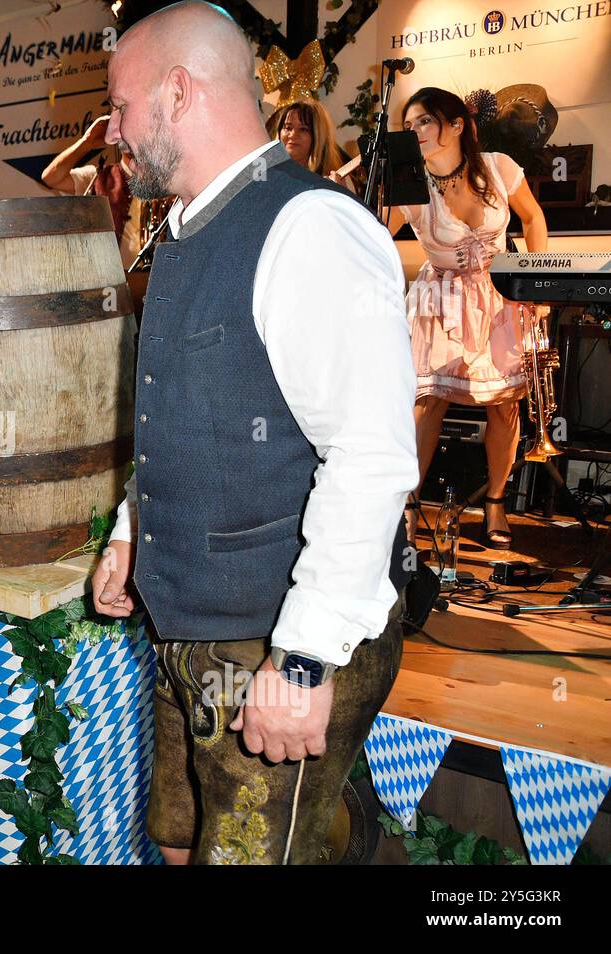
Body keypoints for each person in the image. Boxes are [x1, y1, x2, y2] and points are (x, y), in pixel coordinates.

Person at [90, 1, 417, 865]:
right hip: (190, 623)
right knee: (176, 837)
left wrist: (304, 659)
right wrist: (133, 534)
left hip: (274, 633)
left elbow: (372, 457)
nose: (111, 132)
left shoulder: (311, 226)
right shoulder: (187, 227)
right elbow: (185, 411)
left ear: (178, 91)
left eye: (120, 107)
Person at [384, 87, 549, 548]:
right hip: (441, 299)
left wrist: (536, 283)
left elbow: (533, 219)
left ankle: (495, 501)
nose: (414, 131)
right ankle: (407, 508)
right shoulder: (410, 183)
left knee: (504, 403)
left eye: (424, 121)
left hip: (499, 296)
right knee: (427, 400)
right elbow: (374, 236)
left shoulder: (498, 166)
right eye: (409, 124)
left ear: (456, 125)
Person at [41, 115, 144, 267]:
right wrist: (87, 142)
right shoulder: (96, 176)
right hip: (110, 282)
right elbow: (51, 178)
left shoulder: (166, 179)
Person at [266, 98, 355, 192]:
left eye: (303, 129)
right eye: (288, 127)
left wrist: (340, 194)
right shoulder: (266, 172)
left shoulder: (340, 178)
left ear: (318, 136)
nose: (293, 134)